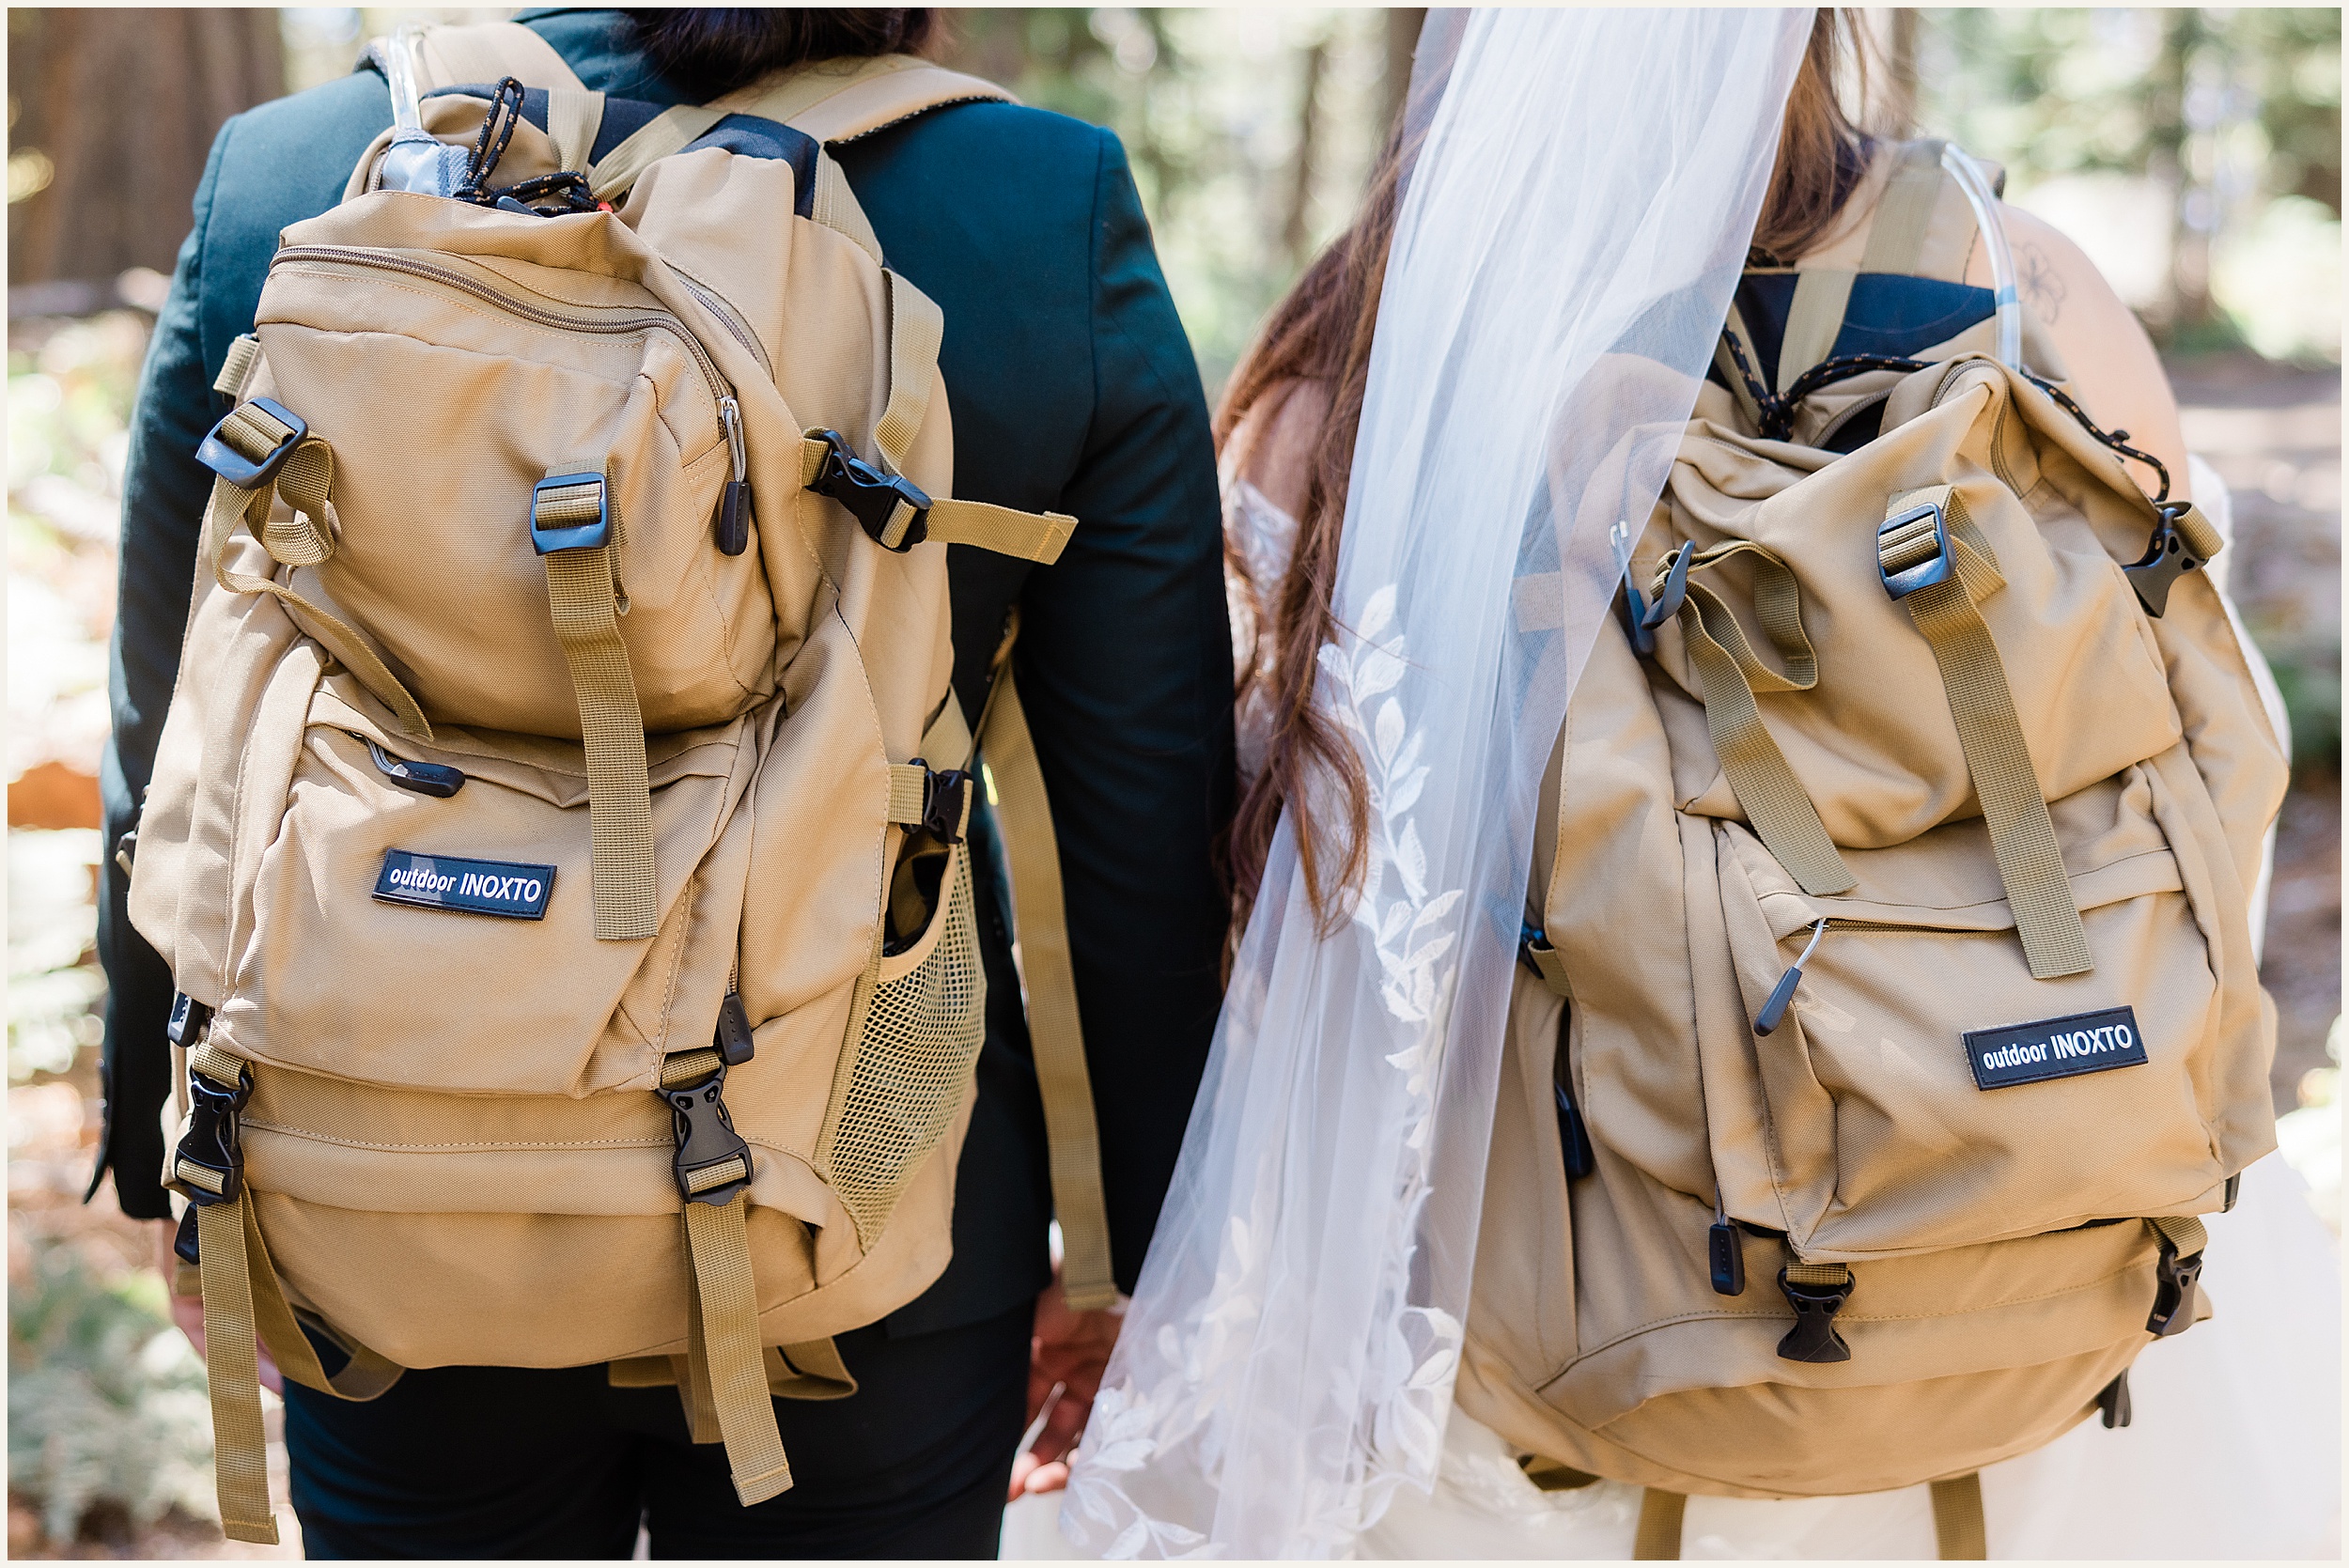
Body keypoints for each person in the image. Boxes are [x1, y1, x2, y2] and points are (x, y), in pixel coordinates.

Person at [1062, 7, 2336, 1559]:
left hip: (1576, 1316)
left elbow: (1271, 887)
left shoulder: (1389, 338)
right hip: (2039, 1265)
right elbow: (2208, 766)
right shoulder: (2026, 279)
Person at [97, 8, 1235, 1557]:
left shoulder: (296, 174)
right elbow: (1142, 824)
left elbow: (170, 740)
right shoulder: (1040, 209)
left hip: (370, 1169)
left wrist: (175, 1160)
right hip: (855, 1205)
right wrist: (1127, 1255)